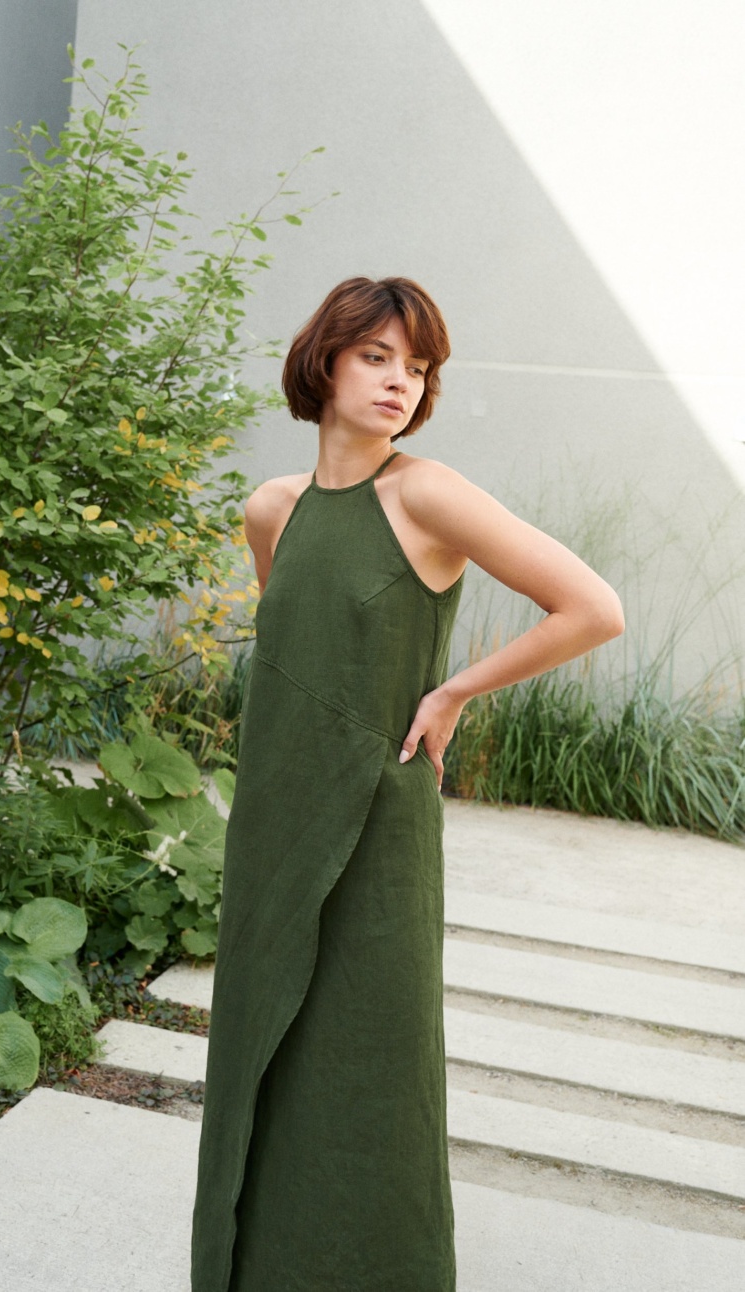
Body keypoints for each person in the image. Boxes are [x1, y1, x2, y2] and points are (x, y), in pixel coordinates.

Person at [190, 276, 624, 1292]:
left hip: (379, 830)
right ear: (325, 359)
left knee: (369, 1066)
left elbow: (590, 605)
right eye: (378, 356)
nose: (399, 381)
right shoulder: (272, 509)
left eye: (416, 366)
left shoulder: (422, 493)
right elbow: (308, 657)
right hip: (273, 824)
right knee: (265, 1046)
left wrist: (457, 689)